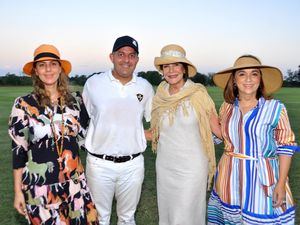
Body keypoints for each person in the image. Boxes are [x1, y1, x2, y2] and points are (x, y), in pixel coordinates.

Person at [8, 44, 99, 224]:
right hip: (40, 189)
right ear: (35, 71)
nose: (48, 69)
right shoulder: (23, 105)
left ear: (60, 69)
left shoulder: (76, 101)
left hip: (74, 186)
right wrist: (18, 192)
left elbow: (90, 137)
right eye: (42, 65)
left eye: (53, 64)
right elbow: (18, 151)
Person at [207, 55, 299, 224]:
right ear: (234, 80)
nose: (248, 79)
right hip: (229, 176)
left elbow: (286, 147)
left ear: (260, 79)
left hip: (263, 179)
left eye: (254, 73)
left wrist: (280, 183)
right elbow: (224, 138)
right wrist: (207, 114)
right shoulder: (227, 108)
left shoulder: (275, 108)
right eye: (242, 74)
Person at [82, 35, 154, 225]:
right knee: (100, 218)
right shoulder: (93, 84)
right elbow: (87, 116)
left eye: (132, 55)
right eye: (121, 54)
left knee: (127, 218)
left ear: (137, 59)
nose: (126, 60)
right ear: (111, 57)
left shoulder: (145, 87)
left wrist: (142, 134)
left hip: (133, 164)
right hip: (99, 164)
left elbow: (152, 122)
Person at [150, 44, 221, 225]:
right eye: (166, 66)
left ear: (184, 69)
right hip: (165, 167)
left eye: (176, 65)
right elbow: (155, 133)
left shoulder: (198, 94)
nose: (171, 70)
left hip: (192, 169)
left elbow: (218, 131)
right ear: (162, 70)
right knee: (167, 215)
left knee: (186, 216)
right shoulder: (159, 95)